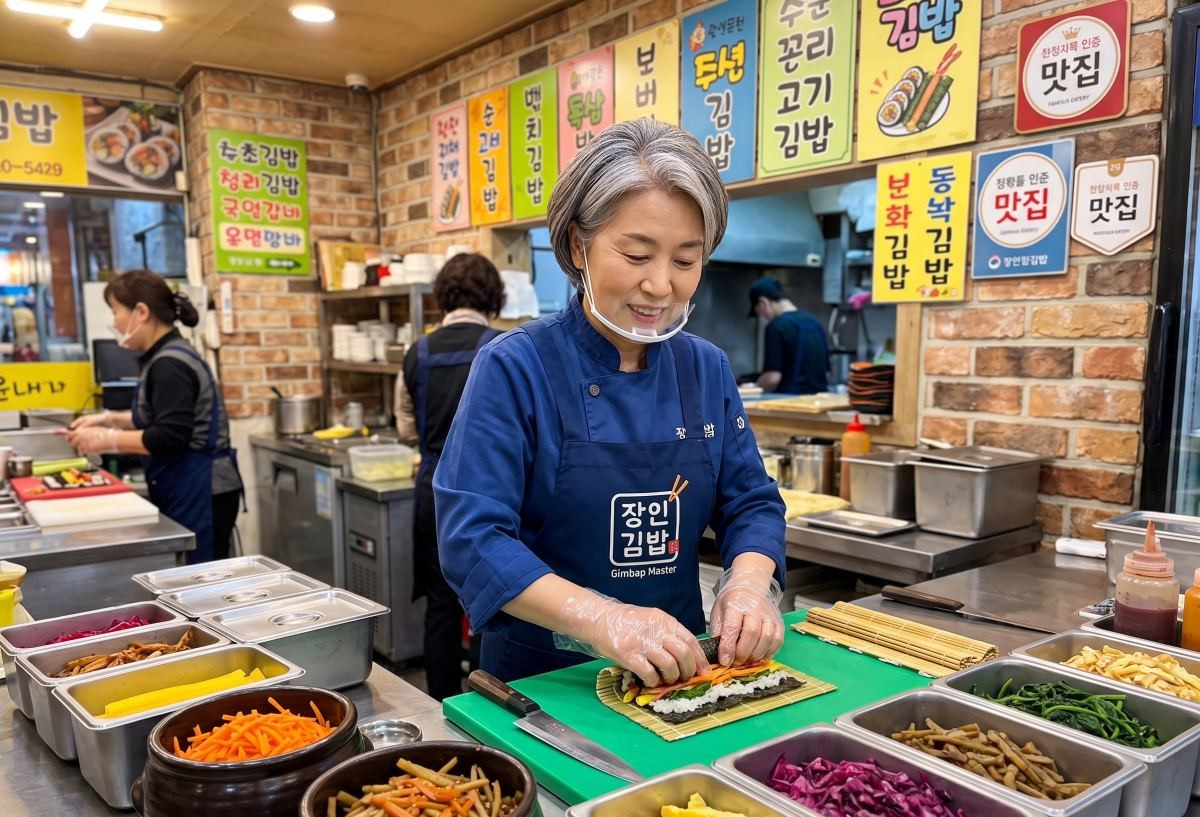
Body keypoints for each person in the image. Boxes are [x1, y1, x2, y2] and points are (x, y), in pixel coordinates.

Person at [434, 119, 786, 687]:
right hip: (544, 684)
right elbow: (473, 540)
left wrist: (748, 585)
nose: (661, 286)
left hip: (682, 675)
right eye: (637, 255)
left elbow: (751, 503)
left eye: (685, 260)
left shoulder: (706, 368)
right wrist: (603, 620)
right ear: (579, 245)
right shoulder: (514, 366)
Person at [67, 271, 243, 564]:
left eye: (116, 311)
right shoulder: (167, 355)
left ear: (141, 312)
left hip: (202, 489)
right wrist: (109, 419)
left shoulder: (169, 364)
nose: (114, 322)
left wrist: (105, 440)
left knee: (200, 577)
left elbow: (169, 436)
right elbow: (162, 416)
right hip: (189, 484)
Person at [394, 252, 505, 700]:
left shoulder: (417, 353)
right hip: (492, 492)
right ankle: (483, 702)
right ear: (492, 296)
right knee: (491, 602)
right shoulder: (505, 347)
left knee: (440, 603)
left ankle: (438, 700)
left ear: (443, 296)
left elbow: (406, 426)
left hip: (434, 490)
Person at [748, 277, 829, 395]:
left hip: (790, 400)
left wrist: (755, 387)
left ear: (763, 302)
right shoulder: (815, 323)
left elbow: (772, 379)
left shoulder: (776, 327)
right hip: (819, 399)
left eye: (759, 312)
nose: (763, 317)